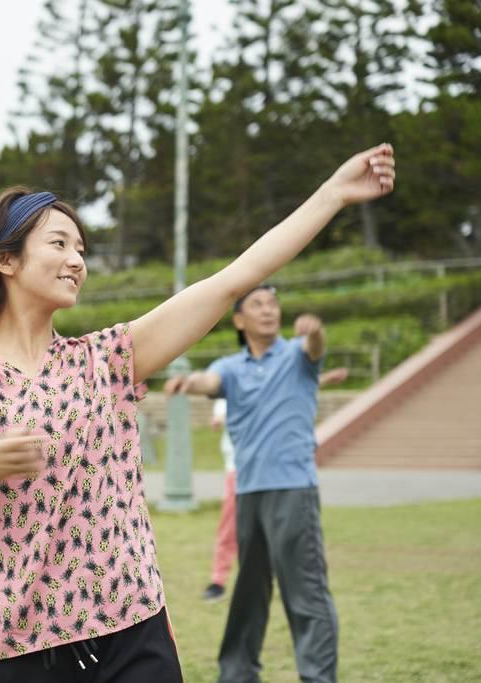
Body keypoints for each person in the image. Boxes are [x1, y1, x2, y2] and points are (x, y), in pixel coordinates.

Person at [0, 144, 394, 682]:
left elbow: (233, 280)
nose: (77, 260)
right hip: (15, 645)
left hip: (131, 628)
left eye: (81, 248)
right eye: (59, 243)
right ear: (5, 259)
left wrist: (333, 194)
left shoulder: (107, 358)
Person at [166, 289, 357, 683]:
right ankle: (237, 673)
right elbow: (209, 381)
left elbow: (316, 348)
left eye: (273, 304)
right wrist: (187, 382)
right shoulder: (231, 367)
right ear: (239, 320)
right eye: (257, 305)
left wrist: (315, 331)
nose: (268, 310)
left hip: (293, 490)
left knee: (305, 592)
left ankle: (318, 676)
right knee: (249, 591)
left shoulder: (297, 355)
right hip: (248, 492)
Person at [201, 367, 349, 604]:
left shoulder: (267, 386)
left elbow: (293, 386)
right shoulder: (230, 384)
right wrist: (217, 419)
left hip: (270, 471)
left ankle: (283, 581)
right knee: (230, 527)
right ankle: (218, 580)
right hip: (238, 470)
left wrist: (326, 378)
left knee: (280, 528)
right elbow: (219, 407)